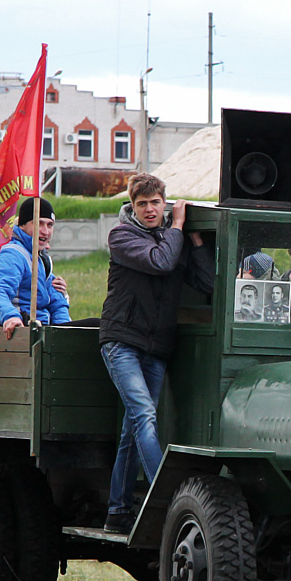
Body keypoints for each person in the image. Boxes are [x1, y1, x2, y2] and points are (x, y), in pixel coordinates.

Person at [99, 173, 214, 534]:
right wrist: (179, 227)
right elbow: (161, 261)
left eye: (155, 203)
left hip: (157, 346)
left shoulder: (174, 241)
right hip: (121, 341)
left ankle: (118, 510)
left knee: (132, 428)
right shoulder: (122, 236)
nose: (150, 210)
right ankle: (166, 500)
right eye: (142, 204)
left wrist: (195, 244)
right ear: (133, 207)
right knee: (146, 416)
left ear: (164, 203)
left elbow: (209, 284)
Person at [0, 197, 71, 338]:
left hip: (42, 330)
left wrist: (65, 330)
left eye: (50, 225)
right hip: (19, 332)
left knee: (94, 329)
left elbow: (56, 300)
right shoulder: (12, 253)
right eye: (39, 224)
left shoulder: (39, 258)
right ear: (22, 225)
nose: (45, 231)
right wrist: (10, 317)